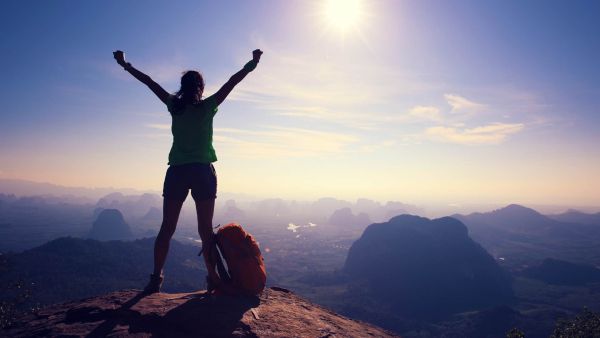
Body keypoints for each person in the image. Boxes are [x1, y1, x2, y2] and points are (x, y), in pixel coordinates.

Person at [113, 49, 263, 294]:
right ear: (201, 88)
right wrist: (253, 63)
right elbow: (231, 82)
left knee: (166, 228)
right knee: (205, 230)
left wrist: (125, 64)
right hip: (203, 172)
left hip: (177, 173)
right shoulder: (208, 107)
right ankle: (213, 278)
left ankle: (155, 278)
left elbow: (149, 82)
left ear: (182, 87)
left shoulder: (174, 106)